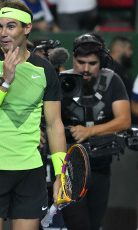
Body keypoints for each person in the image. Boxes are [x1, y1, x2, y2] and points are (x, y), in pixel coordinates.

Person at [0, 1, 67, 229]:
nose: (3, 33)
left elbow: (54, 125)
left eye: (11, 26)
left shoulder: (44, 70)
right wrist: (4, 82)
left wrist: (61, 175)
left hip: (30, 173)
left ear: (27, 28)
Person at [60, 33, 131, 230]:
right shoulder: (61, 81)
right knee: (78, 225)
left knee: (94, 224)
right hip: (68, 168)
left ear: (101, 61)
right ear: (73, 59)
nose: (85, 68)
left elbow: (124, 120)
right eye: (81, 62)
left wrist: (89, 131)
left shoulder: (112, 80)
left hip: (101, 164)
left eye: (92, 63)